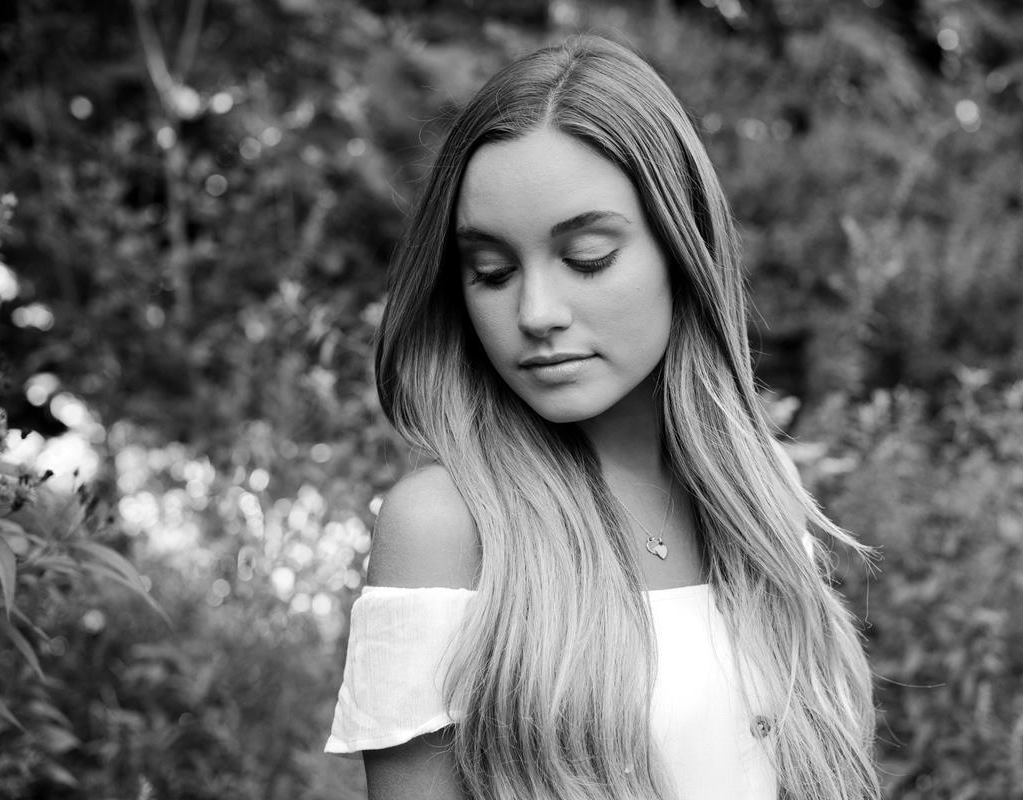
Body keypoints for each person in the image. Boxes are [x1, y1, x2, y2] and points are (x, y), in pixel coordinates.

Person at [326, 34, 879, 800]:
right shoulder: (446, 528)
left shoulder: (764, 494)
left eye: (586, 257)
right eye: (492, 271)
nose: (536, 312)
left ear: (682, 248)